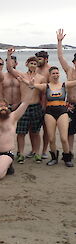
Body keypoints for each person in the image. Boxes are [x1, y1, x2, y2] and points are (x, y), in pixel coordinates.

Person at [22, 66, 76, 167]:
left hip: (62, 112)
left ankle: (67, 158)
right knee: (51, 138)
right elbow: (32, 85)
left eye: (57, 73)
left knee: (64, 138)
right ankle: (54, 157)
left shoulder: (64, 85)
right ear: (50, 75)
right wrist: (22, 79)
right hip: (49, 112)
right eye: (53, 73)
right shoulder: (46, 86)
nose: (55, 75)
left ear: (59, 74)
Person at [6, 48, 45, 164]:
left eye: (35, 63)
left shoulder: (41, 78)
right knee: (21, 132)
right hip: (23, 107)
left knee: (36, 132)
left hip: (36, 106)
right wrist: (9, 55)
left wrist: (43, 107)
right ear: (27, 64)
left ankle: (37, 153)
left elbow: (43, 91)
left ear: (37, 65)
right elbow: (9, 69)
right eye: (31, 63)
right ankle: (21, 153)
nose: (33, 65)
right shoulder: (21, 75)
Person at [57, 28, 76, 156]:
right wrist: (59, 42)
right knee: (70, 131)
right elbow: (60, 57)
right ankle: (69, 153)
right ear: (74, 62)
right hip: (70, 105)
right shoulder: (69, 71)